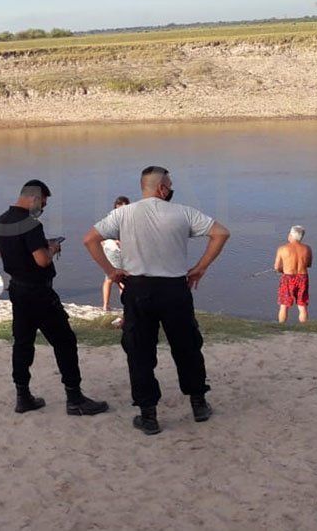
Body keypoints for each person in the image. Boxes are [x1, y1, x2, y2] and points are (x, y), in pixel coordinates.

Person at [83, 166, 230, 436]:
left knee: (140, 351)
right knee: (186, 346)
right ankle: (198, 403)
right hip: (175, 289)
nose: (172, 189)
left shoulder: (123, 213)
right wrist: (200, 267)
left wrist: (111, 271)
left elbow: (90, 239)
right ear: (162, 188)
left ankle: (148, 414)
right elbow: (221, 233)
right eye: (170, 184)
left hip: (138, 288)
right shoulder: (183, 212)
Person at [0, 180, 109, 416]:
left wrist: (39, 246)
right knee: (65, 341)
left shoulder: (1, 221)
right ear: (34, 198)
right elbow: (42, 260)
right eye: (43, 203)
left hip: (17, 288)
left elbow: (3, 251)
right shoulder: (30, 224)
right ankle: (75, 398)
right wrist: (53, 247)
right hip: (38, 291)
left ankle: (22, 395)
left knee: (23, 342)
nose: (43, 208)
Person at [274, 225, 312, 323]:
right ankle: (304, 328)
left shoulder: (282, 248)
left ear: (290, 235)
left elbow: (277, 267)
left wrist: (282, 270)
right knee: (302, 305)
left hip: (287, 278)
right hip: (302, 277)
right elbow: (308, 264)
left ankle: (281, 327)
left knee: (284, 305)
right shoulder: (307, 249)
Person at [100, 196, 131, 311]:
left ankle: (125, 306)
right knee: (111, 278)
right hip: (113, 250)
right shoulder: (113, 218)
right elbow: (101, 235)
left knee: (122, 278)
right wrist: (114, 241)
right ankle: (105, 305)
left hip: (122, 251)